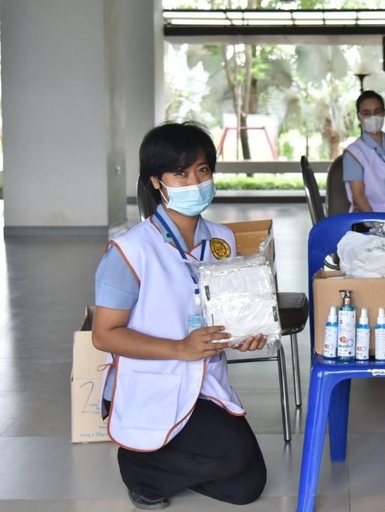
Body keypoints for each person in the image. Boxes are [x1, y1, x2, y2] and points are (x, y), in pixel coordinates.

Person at [92, 122, 267, 510]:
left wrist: (243, 334)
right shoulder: (130, 251)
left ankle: (159, 463)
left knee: (247, 488)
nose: (195, 181)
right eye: (181, 173)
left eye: (203, 170)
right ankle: (138, 465)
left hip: (203, 381)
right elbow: (104, 335)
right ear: (157, 181)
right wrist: (180, 347)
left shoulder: (223, 240)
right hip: (154, 381)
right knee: (231, 455)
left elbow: (226, 310)